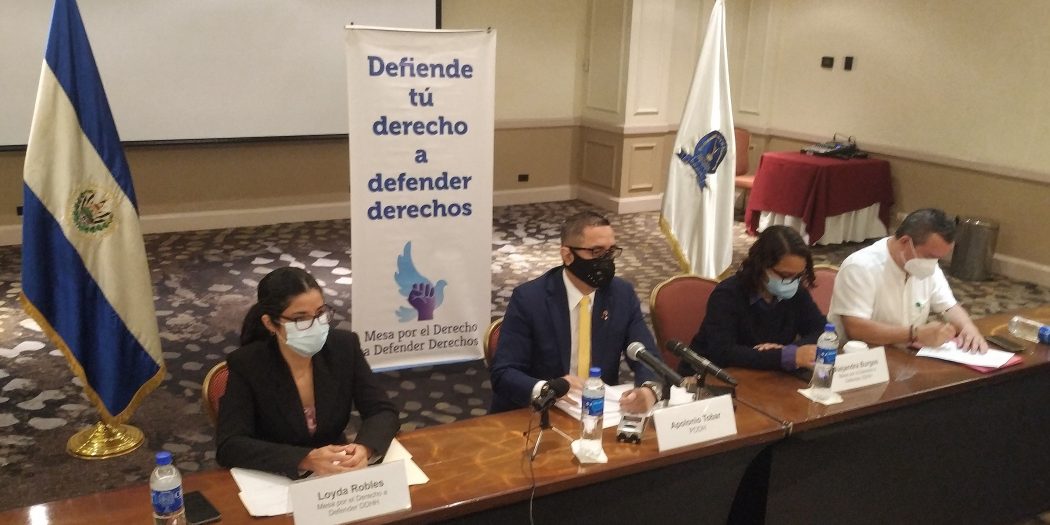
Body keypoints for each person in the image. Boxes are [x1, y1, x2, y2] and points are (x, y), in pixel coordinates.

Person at [216, 267, 398, 479]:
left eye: (320, 314)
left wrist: (365, 448)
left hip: (337, 472)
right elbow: (230, 445)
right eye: (300, 319)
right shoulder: (247, 364)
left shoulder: (343, 347)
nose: (315, 325)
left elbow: (382, 411)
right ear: (270, 323)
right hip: (277, 475)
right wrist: (305, 459)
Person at [489, 211, 663, 414]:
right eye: (596, 252)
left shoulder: (621, 294)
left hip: (600, 411)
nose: (606, 260)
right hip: (542, 411)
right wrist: (550, 388)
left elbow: (647, 355)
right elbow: (504, 373)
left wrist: (649, 390)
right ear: (567, 255)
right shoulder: (530, 299)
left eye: (611, 252)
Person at [829, 208, 987, 352]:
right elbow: (856, 329)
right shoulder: (860, 267)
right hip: (861, 357)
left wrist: (968, 327)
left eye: (939, 258)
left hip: (905, 354)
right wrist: (914, 334)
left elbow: (949, 306)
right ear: (905, 242)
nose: (933, 263)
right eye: (930, 256)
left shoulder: (927, 266)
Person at [681, 225, 827, 374]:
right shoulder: (728, 294)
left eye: (798, 276)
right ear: (761, 265)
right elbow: (723, 352)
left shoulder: (796, 292)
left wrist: (790, 351)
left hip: (766, 375)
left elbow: (823, 331)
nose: (792, 282)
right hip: (712, 374)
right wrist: (783, 356)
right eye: (786, 275)